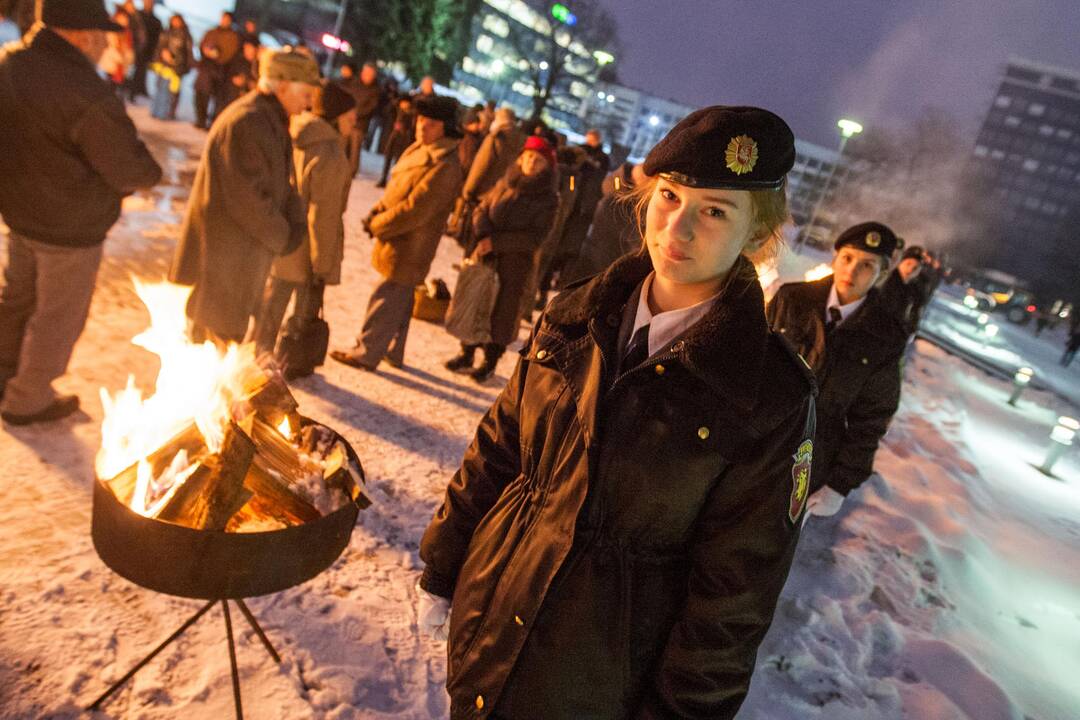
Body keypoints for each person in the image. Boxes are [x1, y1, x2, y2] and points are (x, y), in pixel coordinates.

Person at [416, 106, 816, 718]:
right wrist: (444, 566)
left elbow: (733, 599)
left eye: (714, 211)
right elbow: (498, 449)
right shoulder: (575, 316)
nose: (677, 228)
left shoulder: (767, 397)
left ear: (757, 236)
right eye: (669, 196)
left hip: (597, 688)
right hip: (491, 629)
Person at [0, 0, 162, 425]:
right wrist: (144, 173)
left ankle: (4, 377)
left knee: (17, 302)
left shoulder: (10, 64)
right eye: (103, 35)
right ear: (81, 35)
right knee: (55, 319)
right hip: (69, 228)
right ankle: (27, 399)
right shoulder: (84, 91)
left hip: (19, 215)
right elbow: (132, 167)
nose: (107, 43)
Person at [169, 49, 316, 344]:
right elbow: (248, 200)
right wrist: (284, 236)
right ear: (283, 85)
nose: (310, 102)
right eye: (306, 93)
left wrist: (295, 224)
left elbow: (280, 186)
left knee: (223, 345)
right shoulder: (248, 121)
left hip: (238, 261)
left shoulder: (269, 119)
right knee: (213, 350)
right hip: (223, 264)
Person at [767, 222, 907, 518]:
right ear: (835, 258)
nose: (852, 271)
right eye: (847, 258)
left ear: (882, 274)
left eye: (867, 265)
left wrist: (839, 485)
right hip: (759, 443)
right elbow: (750, 368)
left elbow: (871, 418)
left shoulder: (885, 336)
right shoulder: (792, 299)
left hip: (810, 466)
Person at [331, 96, 464, 371]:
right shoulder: (421, 149)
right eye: (420, 121)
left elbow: (414, 209)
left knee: (388, 294)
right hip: (399, 237)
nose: (421, 127)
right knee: (401, 297)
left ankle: (367, 351)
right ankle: (393, 350)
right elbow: (396, 190)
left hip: (411, 243)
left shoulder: (445, 165)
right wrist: (377, 211)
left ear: (444, 127)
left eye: (429, 124)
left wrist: (379, 224)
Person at [252, 81, 356, 358]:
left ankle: (254, 357)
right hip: (309, 245)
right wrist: (322, 263)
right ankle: (291, 362)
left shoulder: (297, 135)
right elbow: (324, 214)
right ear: (336, 117)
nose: (354, 122)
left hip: (285, 234)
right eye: (350, 116)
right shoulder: (330, 152)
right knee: (303, 310)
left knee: (273, 301)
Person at [444, 135, 559, 382]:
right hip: (486, 255)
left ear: (547, 166)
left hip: (513, 264)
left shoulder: (548, 198)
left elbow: (535, 238)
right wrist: (484, 234)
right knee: (476, 300)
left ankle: (489, 361)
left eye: (537, 161)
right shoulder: (507, 180)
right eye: (527, 157)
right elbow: (482, 208)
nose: (530, 163)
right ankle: (466, 352)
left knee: (501, 313)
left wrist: (495, 242)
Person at [193, 10, 240, 129]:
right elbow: (203, 44)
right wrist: (205, 50)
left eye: (227, 19)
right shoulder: (212, 31)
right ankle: (200, 120)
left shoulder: (232, 36)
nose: (224, 21)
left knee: (216, 100)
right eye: (223, 18)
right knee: (200, 94)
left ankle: (212, 123)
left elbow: (230, 53)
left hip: (220, 71)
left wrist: (218, 55)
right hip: (205, 68)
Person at [337, 61, 380, 177]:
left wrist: (357, 114)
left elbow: (371, 107)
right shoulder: (353, 83)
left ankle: (351, 172)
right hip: (347, 120)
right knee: (342, 145)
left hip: (360, 123)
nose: (368, 76)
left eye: (370, 74)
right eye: (366, 73)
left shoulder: (375, 89)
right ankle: (339, 167)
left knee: (355, 149)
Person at [149, 12, 193, 120]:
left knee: (172, 92)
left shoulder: (185, 35)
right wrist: (160, 58)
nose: (175, 23)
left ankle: (166, 113)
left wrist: (175, 61)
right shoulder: (166, 32)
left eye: (177, 20)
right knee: (159, 88)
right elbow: (159, 47)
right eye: (174, 20)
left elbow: (187, 54)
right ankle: (156, 111)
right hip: (163, 67)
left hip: (176, 69)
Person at [374, 94, 415, 188]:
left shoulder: (412, 113)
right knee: (388, 158)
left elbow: (412, 127)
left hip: (404, 139)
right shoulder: (396, 109)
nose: (403, 105)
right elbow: (387, 111)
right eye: (402, 103)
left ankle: (394, 181)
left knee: (398, 161)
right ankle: (383, 178)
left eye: (406, 103)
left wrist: (404, 128)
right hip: (393, 136)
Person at [130, 0, 161, 100]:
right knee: (135, 71)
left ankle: (137, 91)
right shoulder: (137, 15)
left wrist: (155, 52)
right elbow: (132, 29)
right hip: (136, 47)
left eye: (150, 2)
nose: (148, 3)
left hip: (148, 50)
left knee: (141, 71)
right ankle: (132, 92)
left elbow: (157, 38)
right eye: (147, 2)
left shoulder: (156, 21)